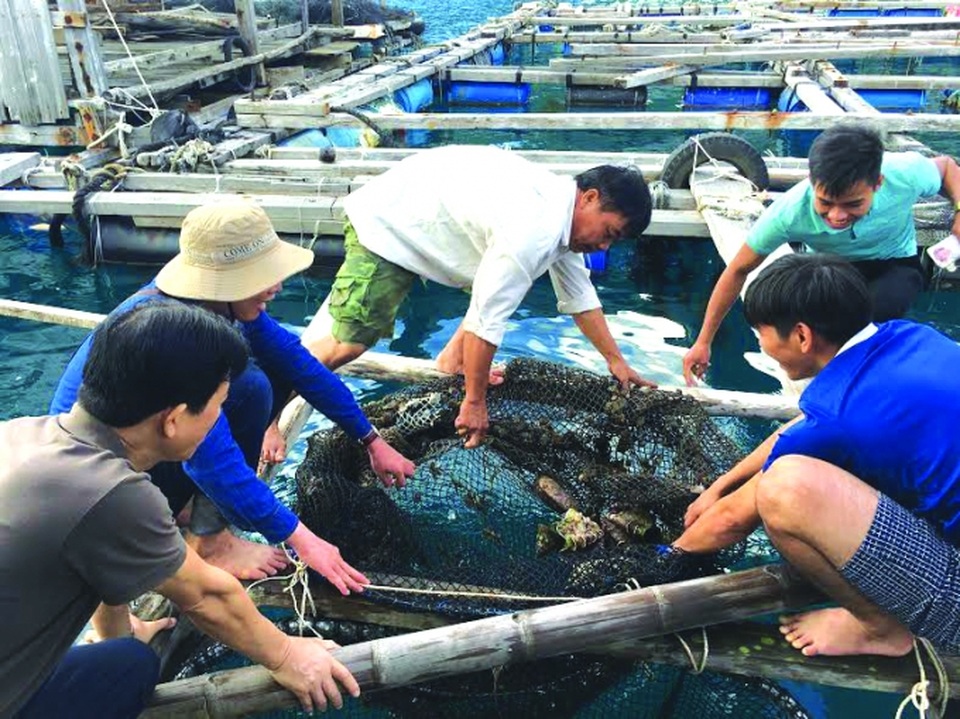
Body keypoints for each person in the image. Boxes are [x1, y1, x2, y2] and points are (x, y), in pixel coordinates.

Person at [1, 303, 359, 718]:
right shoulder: (114, 493)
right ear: (172, 420)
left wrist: (119, 634)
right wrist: (287, 655)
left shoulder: (22, 434)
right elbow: (208, 595)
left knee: (124, 658)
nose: (219, 419)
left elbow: (94, 560)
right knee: (132, 670)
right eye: (218, 406)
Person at [50, 202, 415, 586]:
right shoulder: (177, 339)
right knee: (247, 398)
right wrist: (302, 539)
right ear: (223, 281)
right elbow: (213, 460)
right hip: (100, 480)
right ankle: (211, 542)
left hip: (137, 448)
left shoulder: (219, 308)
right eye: (263, 276)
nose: (276, 286)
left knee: (256, 384)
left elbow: (298, 364)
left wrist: (370, 439)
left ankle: (192, 514)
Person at [675, 253, 960, 658]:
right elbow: (799, 428)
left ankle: (879, 629)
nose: (760, 344)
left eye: (761, 333)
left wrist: (668, 556)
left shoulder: (837, 417)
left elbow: (732, 519)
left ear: (803, 337)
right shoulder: (909, 336)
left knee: (783, 489)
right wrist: (720, 485)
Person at [304, 144, 656, 449]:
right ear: (590, 197)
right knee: (347, 345)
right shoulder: (534, 231)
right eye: (608, 232)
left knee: (502, 280)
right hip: (390, 223)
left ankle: (454, 359)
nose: (603, 246)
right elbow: (487, 322)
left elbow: (581, 296)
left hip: (429, 212)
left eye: (613, 241)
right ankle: (270, 413)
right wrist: (474, 402)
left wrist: (617, 362)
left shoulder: (563, 217)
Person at [682, 124, 960, 386]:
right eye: (825, 203)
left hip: (894, 265)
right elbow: (738, 270)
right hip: (832, 272)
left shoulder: (905, 173)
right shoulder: (789, 212)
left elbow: (948, 167)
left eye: (853, 204)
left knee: (869, 319)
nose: (837, 216)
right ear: (812, 182)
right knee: (806, 327)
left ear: (877, 183)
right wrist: (704, 341)